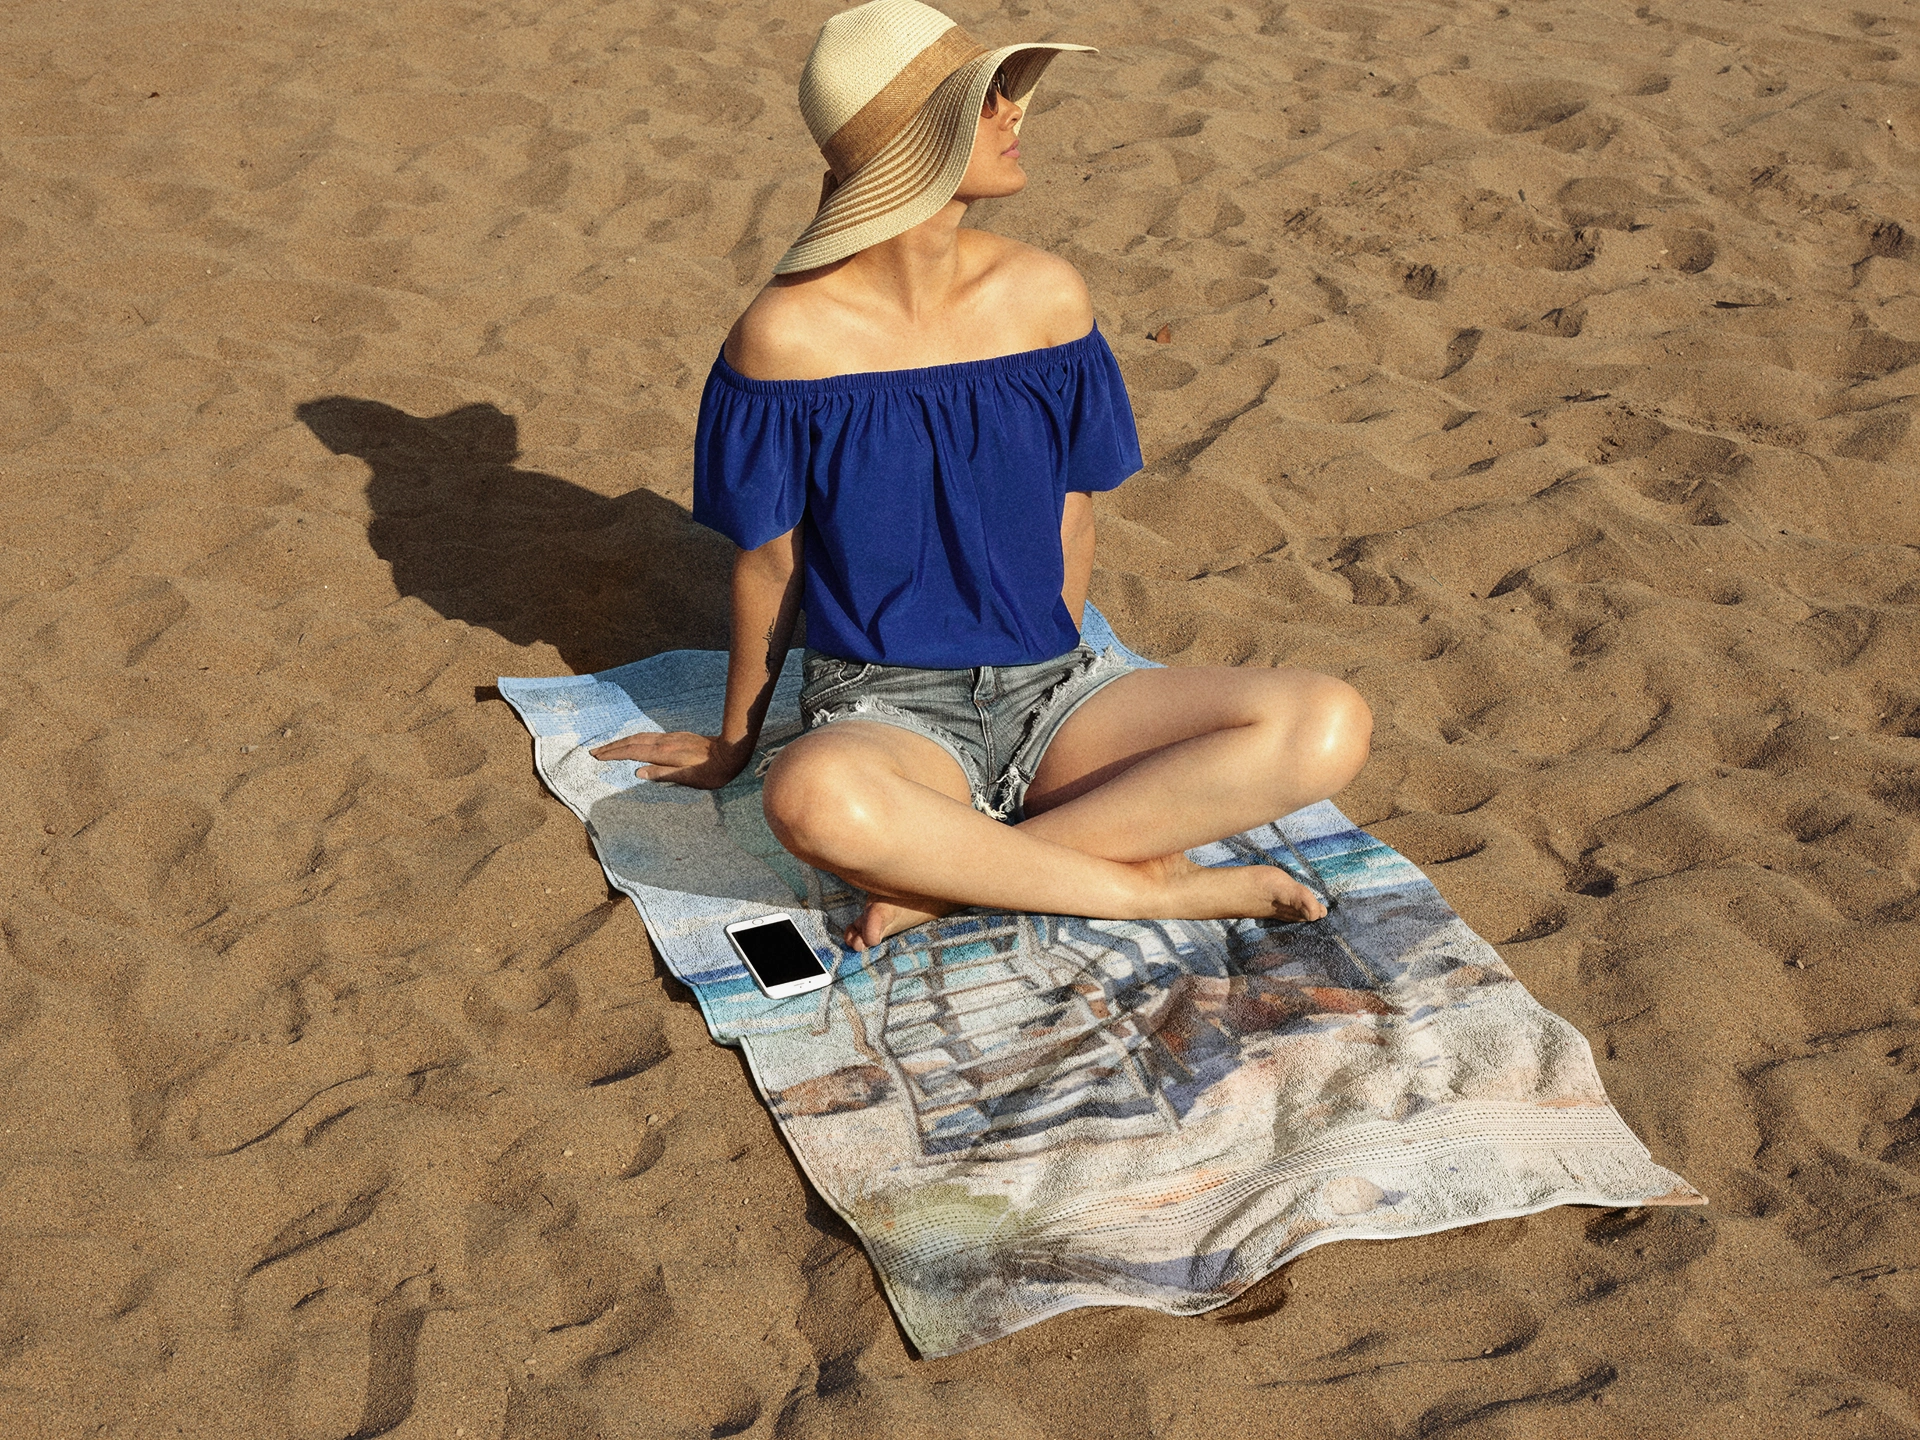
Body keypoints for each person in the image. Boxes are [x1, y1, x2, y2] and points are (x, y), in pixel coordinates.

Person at [591, 0, 1372, 950]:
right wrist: (734, 746)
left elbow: (1072, 517)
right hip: (887, 709)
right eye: (985, 103)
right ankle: (1136, 889)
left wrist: (1055, 664)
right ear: (916, 149)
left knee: (1328, 721)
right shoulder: (785, 339)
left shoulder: (1047, 295)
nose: (1015, 114)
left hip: (1055, 688)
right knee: (809, 797)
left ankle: (958, 879)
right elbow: (771, 562)